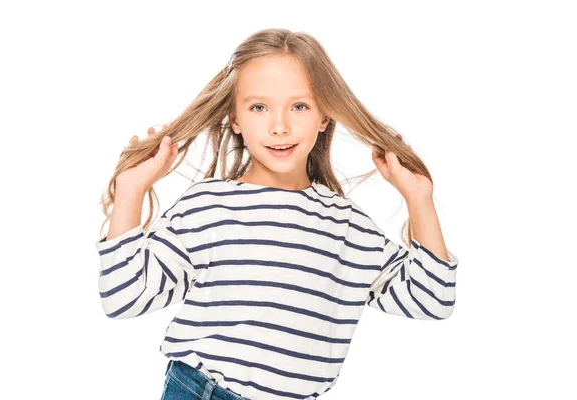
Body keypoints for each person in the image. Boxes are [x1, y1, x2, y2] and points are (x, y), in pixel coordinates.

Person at [95, 28, 459, 400]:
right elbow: (125, 298)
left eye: (299, 106)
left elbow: (433, 298)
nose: (279, 126)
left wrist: (419, 198)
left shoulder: (349, 228)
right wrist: (131, 190)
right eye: (258, 107)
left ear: (324, 116)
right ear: (234, 118)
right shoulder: (207, 206)